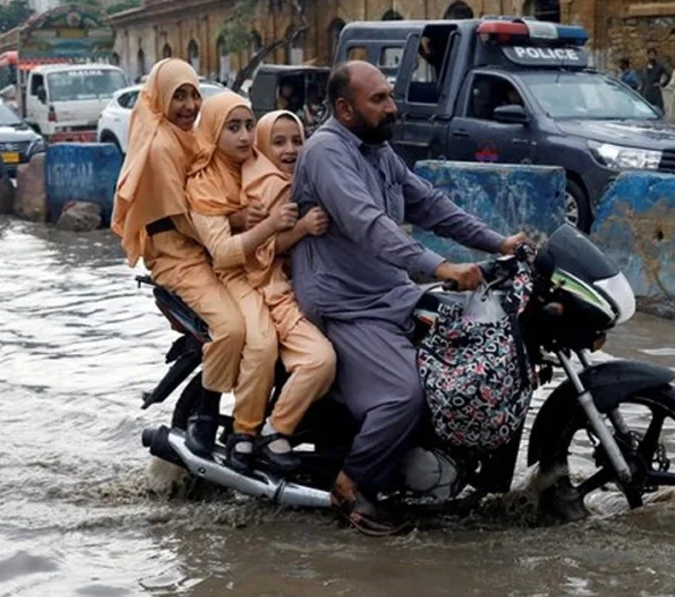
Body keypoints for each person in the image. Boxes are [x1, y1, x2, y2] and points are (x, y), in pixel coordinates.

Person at [290, 61, 532, 536]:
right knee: (407, 392)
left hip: (391, 291)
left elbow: (430, 205)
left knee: (461, 356)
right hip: (346, 302)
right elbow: (367, 223)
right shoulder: (325, 152)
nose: (392, 107)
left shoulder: (378, 151)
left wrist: (498, 243)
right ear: (344, 108)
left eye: (390, 96)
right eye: (378, 99)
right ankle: (352, 485)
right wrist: (441, 267)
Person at [111, 59, 253, 459]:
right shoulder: (159, 146)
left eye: (194, 95)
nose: (190, 105)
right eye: (179, 96)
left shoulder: (186, 137)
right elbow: (186, 219)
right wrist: (234, 223)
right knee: (232, 328)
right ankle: (207, 417)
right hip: (179, 255)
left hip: (206, 247)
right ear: (159, 99)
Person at [186, 92, 335, 473]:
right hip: (240, 277)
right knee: (260, 343)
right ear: (213, 131)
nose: (244, 137)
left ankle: (276, 427)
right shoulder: (210, 182)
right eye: (232, 127)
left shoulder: (272, 175)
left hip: (279, 283)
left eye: (249, 126)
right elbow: (225, 253)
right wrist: (275, 225)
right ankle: (244, 432)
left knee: (322, 358)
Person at [255, 110, 305, 176]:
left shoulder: (312, 181)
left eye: (296, 141)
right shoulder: (260, 185)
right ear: (262, 146)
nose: (291, 150)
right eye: (279, 142)